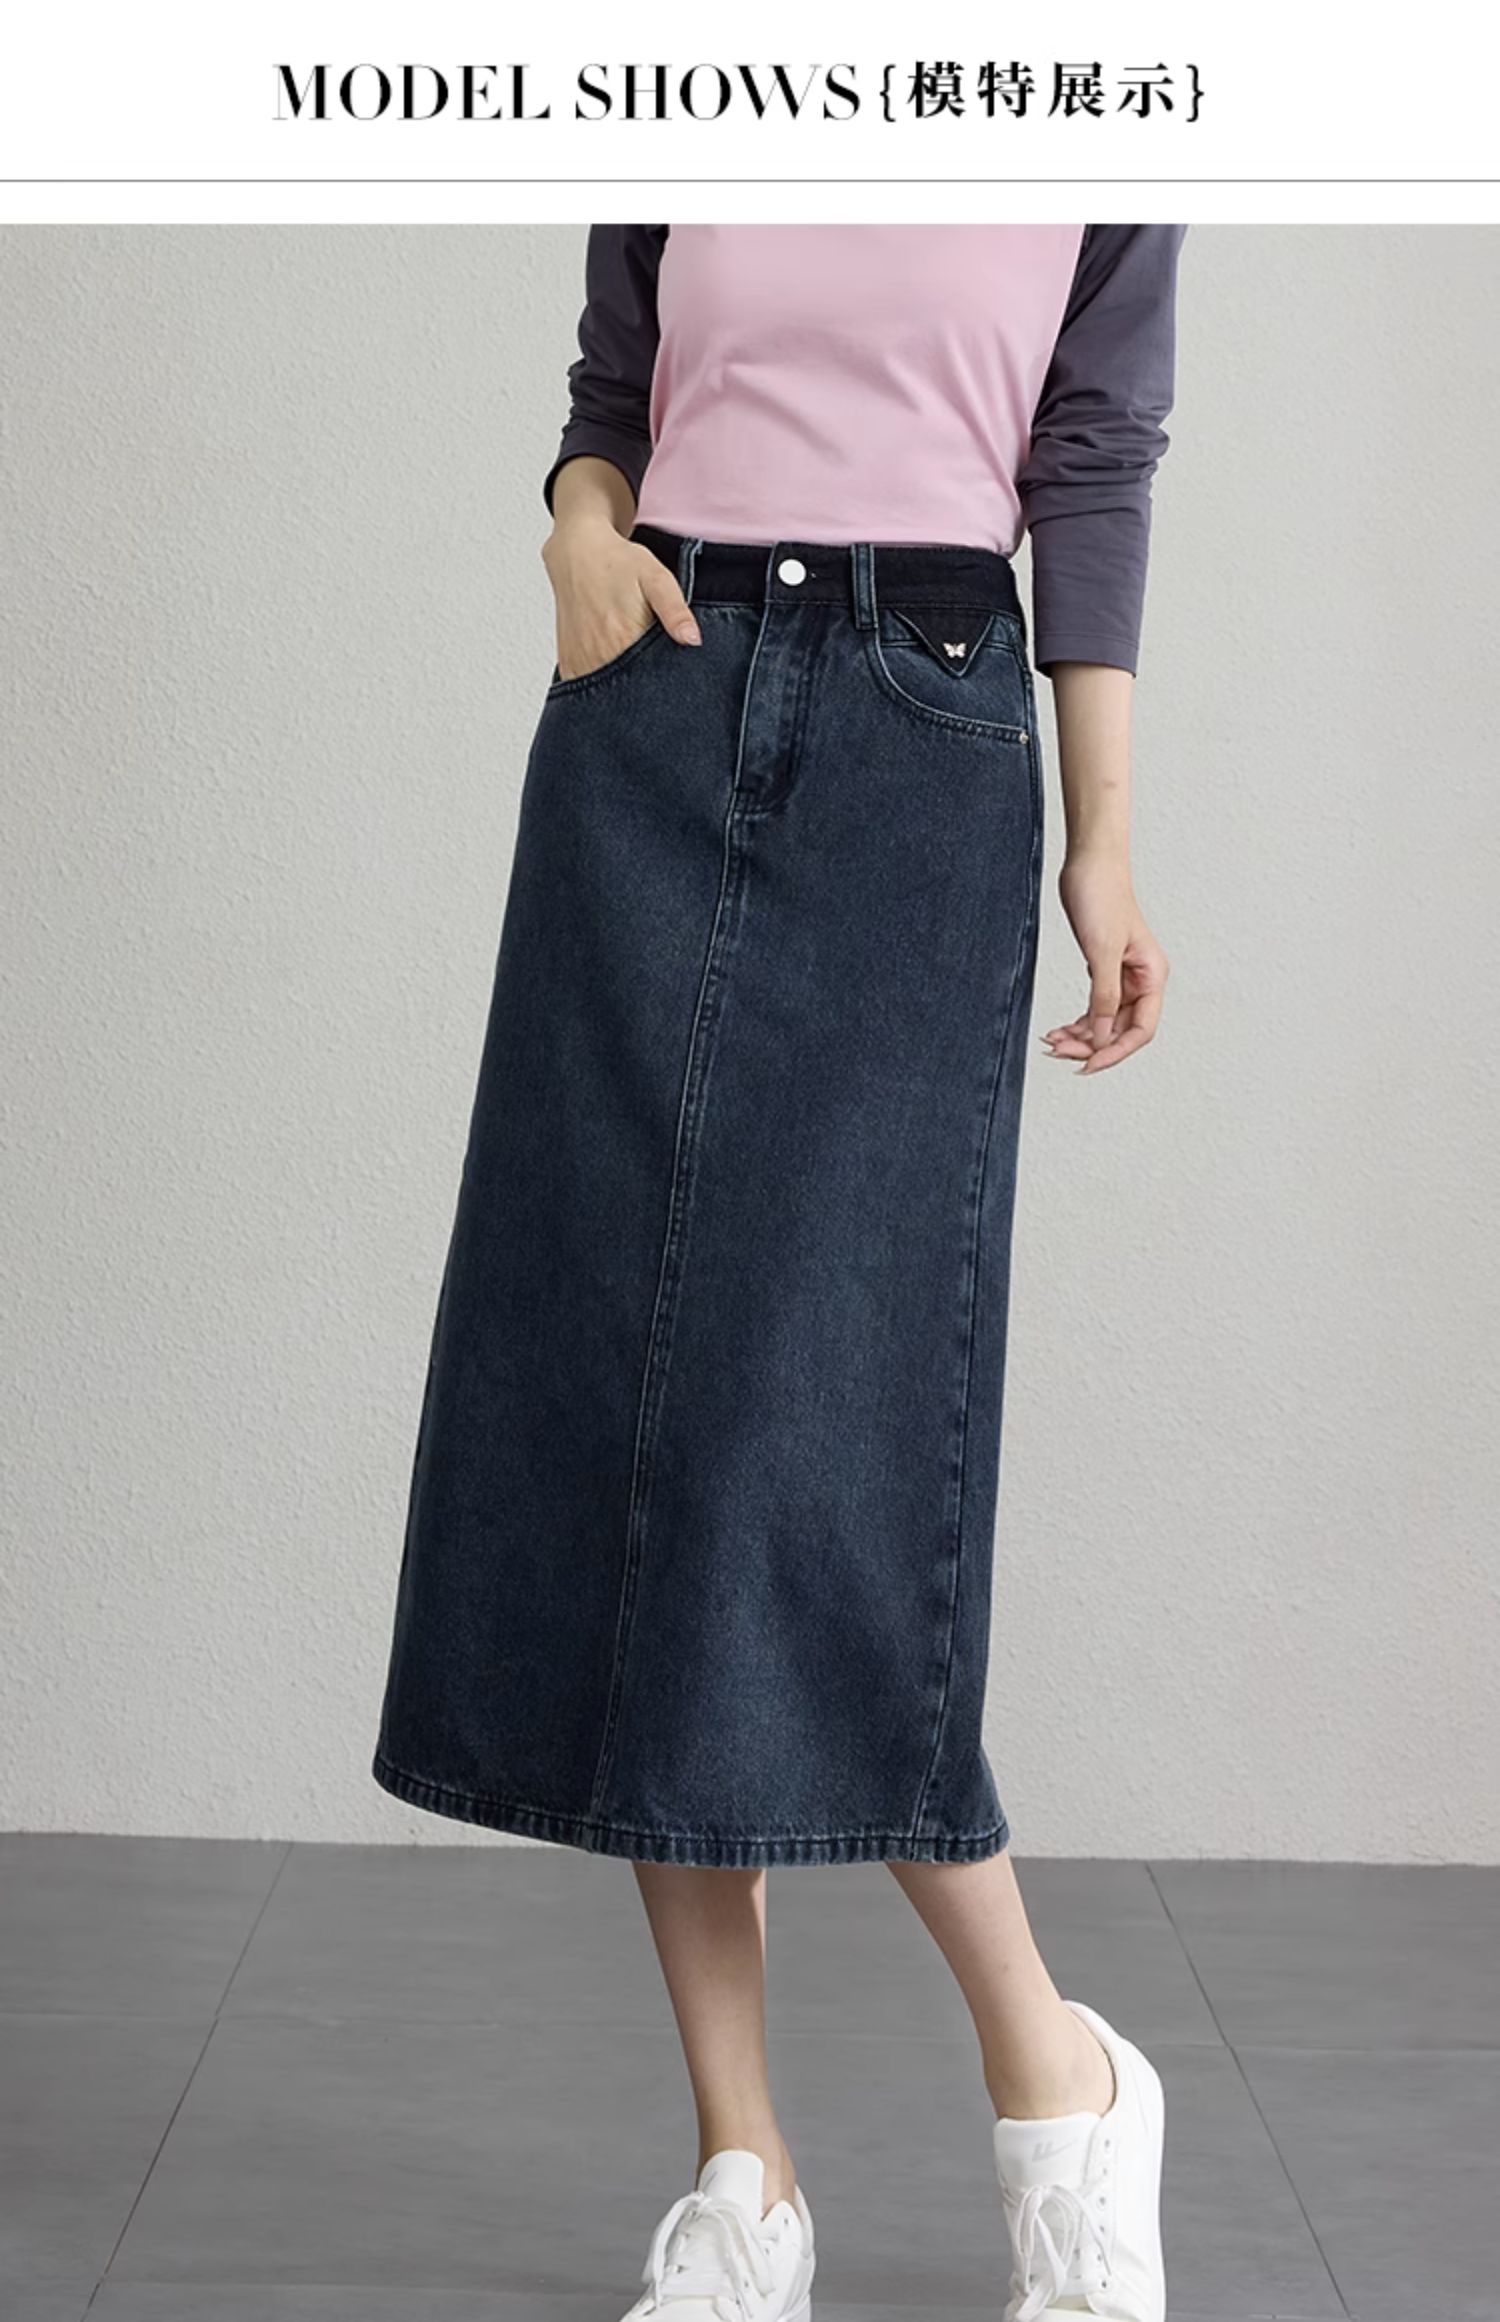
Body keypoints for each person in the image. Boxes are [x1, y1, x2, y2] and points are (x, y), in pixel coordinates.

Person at [372, 222, 1187, 2322]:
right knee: (641, 1429)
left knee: (807, 1449)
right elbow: (611, 403)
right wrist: (577, 536)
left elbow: (1092, 459)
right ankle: (745, 2174)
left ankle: (1058, 2071)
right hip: (656, 699)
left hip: (927, 732)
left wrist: (1104, 835)